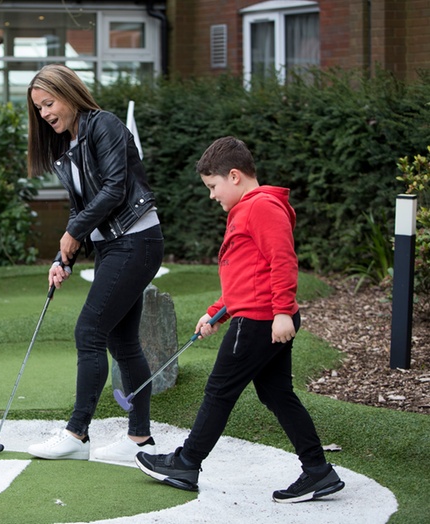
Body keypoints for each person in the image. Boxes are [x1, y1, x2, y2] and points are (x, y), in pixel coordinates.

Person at [136, 136, 345, 503]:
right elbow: (249, 273)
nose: (212, 196)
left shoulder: (261, 207)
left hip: (261, 321)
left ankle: (186, 462)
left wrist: (282, 311)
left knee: (219, 391)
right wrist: (219, 309)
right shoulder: (249, 209)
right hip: (259, 317)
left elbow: (282, 260)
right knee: (277, 393)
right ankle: (317, 470)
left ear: (234, 176)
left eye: (213, 186)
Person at [24, 64, 164, 462]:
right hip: (113, 247)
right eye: (39, 109)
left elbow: (114, 188)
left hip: (136, 240)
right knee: (122, 341)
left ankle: (77, 434)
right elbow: (81, 208)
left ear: (69, 94)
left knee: (89, 331)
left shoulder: (104, 125)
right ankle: (140, 440)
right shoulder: (66, 146)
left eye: (49, 103)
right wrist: (62, 256)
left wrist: (73, 234)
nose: (45, 113)